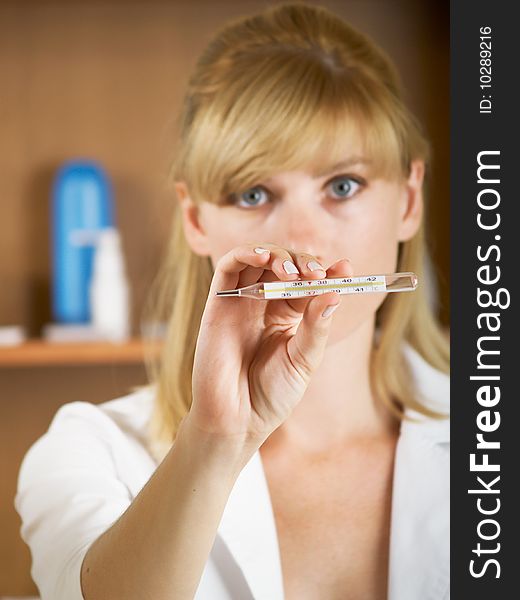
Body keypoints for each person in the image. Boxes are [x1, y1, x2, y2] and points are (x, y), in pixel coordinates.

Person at [15, 3, 449, 599]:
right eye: (253, 193)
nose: (304, 239)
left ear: (408, 200)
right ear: (195, 220)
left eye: (342, 186)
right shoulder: (88, 451)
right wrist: (216, 440)